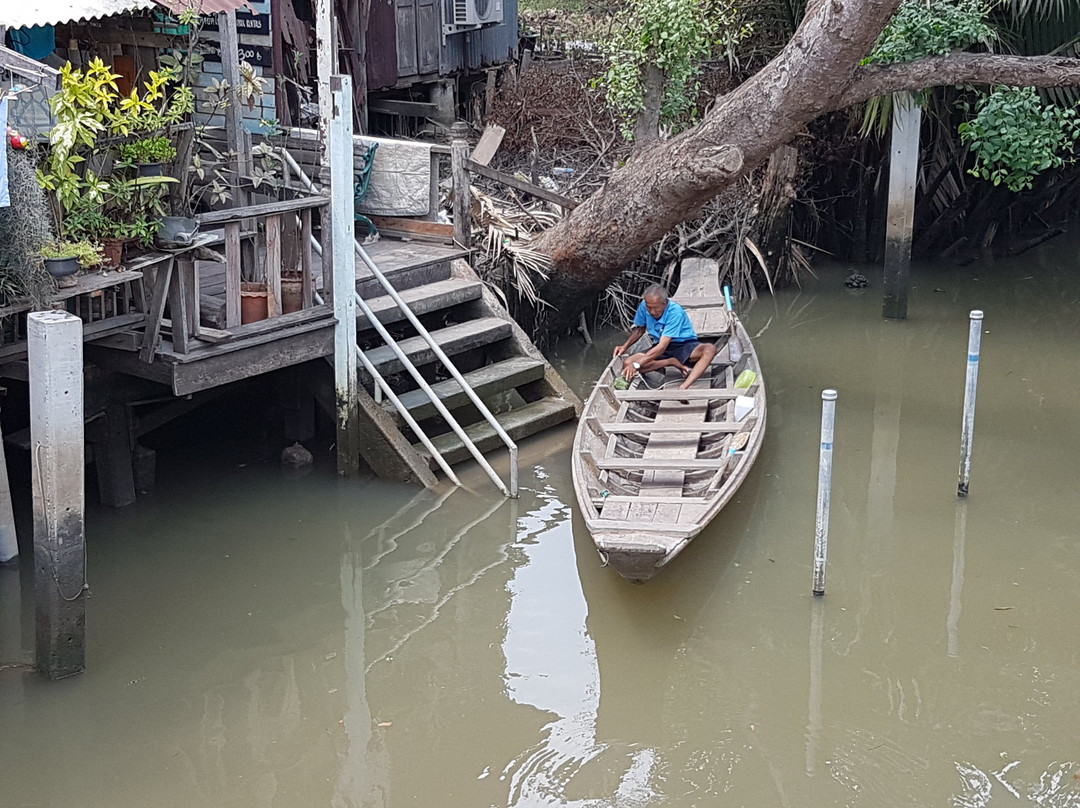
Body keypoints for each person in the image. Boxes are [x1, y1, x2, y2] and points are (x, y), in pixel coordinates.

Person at [613, 284, 717, 391]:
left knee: (709, 349)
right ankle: (670, 361)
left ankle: (684, 387)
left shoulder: (675, 312)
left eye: (656, 308)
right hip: (660, 346)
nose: (652, 312)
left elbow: (662, 347)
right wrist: (624, 346)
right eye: (649, 308)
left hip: (684, 345)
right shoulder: (644, 306)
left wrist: (637, 364)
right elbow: (640, 330)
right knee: (627, 363)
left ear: (665, 303)